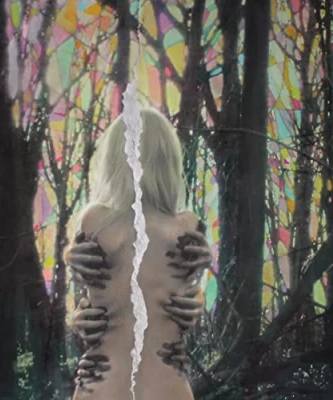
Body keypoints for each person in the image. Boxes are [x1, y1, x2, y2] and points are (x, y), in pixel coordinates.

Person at [65, 108, 212, 400]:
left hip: (104, 386)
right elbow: (185, 300)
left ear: (114, 160)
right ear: (169, 162)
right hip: (168, 388)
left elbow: (88, 305)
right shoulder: (188, 227)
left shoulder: (95, 221)